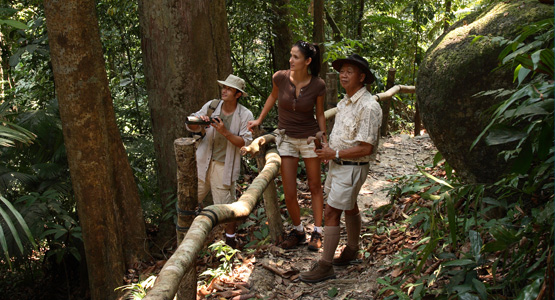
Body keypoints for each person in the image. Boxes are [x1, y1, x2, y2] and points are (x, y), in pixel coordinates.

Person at [299, 54, 382, 282]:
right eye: (342, 71)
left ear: (362, 77)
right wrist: (325, 145)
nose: (343, 75)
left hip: (352, 167)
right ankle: (352, 249)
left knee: (331, 212)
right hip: (339, 164)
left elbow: (366, 147)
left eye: (349, 71)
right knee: (349, 205)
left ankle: (325, 266)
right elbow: (345, 136)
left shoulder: (369, 106)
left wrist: (334, 153)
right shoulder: (345, 102)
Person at [247, 40, 326, 250]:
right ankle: (299, 230)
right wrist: (259, 120)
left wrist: (323, 138)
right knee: (289, 191)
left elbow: (319, 113)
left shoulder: (318, 84)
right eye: (290, 56)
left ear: (307, 61)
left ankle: (317, 232)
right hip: (287, 138)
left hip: (309, 138)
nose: (291, 60)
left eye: (296, 57)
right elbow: (272, 97)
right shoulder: (280, 77)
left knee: (315, 186)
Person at [186, 74, 254, 248]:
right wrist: (198, 123)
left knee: (226, 206)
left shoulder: (245, 114)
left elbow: (245, 142)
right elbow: (192, 125)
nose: (224, 91)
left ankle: (230, 240)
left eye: (229, 89)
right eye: (224, 87)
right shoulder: (212, 106)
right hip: (203, 162)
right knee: (189, 200)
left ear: (238, 94)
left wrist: (225, 132)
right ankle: (186, 239)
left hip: (224, 166)